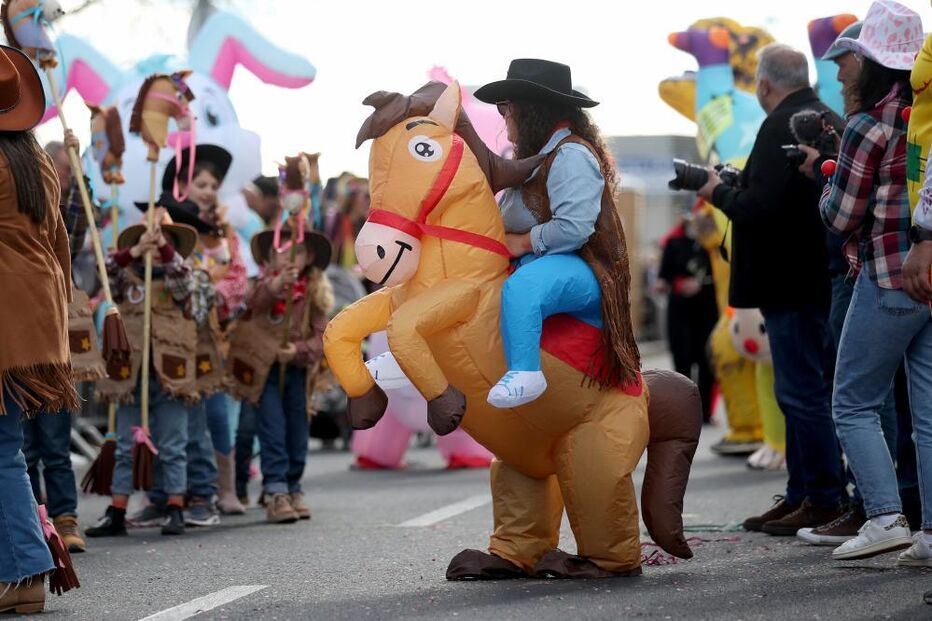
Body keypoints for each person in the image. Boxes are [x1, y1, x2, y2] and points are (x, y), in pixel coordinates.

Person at [698, 43, 847, 535]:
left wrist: (716, 191)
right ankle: (805, 493)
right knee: (810, 391)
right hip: (823, 277)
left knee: (800, 393)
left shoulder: (779, 123)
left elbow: (761, 208)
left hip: (790, 281)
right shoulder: (825, 117)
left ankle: (822, 497)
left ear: (763, 84)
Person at [796, 17, 921, 546]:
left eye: (849, 60)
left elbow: (841, 215)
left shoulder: (867, 124)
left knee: (852, 402)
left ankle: (884, 517)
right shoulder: (922, 117)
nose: (840, 73)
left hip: (888, 273)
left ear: (871, 63)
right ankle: (928, 531)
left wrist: (826, 184)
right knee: (926, 415)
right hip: (927, 274)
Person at [474, 59, 640, 408]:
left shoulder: (571, 154)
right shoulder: (540, 156)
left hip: (585, 266)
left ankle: (525, 373)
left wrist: (521, 242)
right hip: (544, 260)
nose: (503, 117)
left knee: (524, 287)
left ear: (530, 110)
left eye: (506, 107)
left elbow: (574, 228)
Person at [0, 44, 79, 613]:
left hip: (5, 313)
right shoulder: (34, 158)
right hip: (36, 314)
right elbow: (60, 245)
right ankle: (22, 570)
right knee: (8, 447)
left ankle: (23, 571)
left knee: (3, 450)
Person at [87, 216, 201, 538]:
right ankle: (118, 510)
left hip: (170, 377)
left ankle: (175, 506)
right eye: (150, 241)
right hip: (131, 376)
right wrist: (136, 250)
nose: (155, 248)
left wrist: (162, 245)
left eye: (163, 242)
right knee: (125, 446)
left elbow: (184, 280)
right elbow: (106, 269)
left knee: (173, 445)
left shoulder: (178, 280)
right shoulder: (127, 281)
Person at [20, 130, 101, 556]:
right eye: (59, 171)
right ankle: (35, 518)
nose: (61, 178)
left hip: (53, 332)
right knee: (24, 443)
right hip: (18, 331)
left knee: (54, 438)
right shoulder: (17, 212)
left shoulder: (55, 217)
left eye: (65, 174)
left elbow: (77, 220)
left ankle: (65, 517)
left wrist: (81, 172)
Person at [226, 227, 332, 523]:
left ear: (309, 257)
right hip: (263, 372)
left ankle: (294, 486)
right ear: (270, 257)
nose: (289, 257)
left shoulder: (313, 293)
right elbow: (252, 306)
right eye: (281, 250)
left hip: (297, 372)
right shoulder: (261, 286)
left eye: (297, 251)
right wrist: (275, 286)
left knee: (297, 429)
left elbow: (322, 338)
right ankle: (276, 490)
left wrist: (297, 350)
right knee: (271, 428)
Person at [656, 214, 718, 422]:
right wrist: (673, 284)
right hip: (680, 311)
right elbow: (663, 277)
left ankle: (705, 412)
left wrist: (701, 284)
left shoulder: (713, 244)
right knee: (682, 360)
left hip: (707, 310)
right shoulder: (674, 243)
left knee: (706, 361)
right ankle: (685, 410)